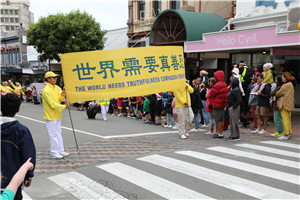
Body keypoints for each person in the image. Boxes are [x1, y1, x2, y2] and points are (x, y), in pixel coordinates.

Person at [0, 93, 36, 200]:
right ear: (18, 109)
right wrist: (29, 175)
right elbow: (28, 156)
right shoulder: (22, 131)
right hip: (13, 183)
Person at [42, 71, 70, 159]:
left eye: (55, 77)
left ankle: (60, 150)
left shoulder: (57, 87)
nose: (55, 79)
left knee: (58, 133)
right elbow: (52, 104)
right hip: (50, 116)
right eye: (53, 77)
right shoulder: (46, 90)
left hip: (57, 114)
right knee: (53, 135)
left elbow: (59, 99)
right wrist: (64, 106)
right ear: (48, 79)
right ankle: (54, 152)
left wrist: (62, 95)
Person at [207, 71, 228, 139]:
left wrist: (212, 87)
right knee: (221, 119)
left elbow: (212, 93)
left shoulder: (217, 85)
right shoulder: (224, 83)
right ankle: (220, 132)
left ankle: (220, 133)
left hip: (217, 104)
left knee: (218, 120)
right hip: (222, 104)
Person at [276, 72, 295, 140]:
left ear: (285, 78)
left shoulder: (285, 85)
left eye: (283, 77)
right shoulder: (291, 84)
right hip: (289, 104)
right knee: (288, 119)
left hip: (284, 104)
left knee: (285, 119)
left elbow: (278, 93)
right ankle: (288, 133)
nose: (282, 78)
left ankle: (286, 134)